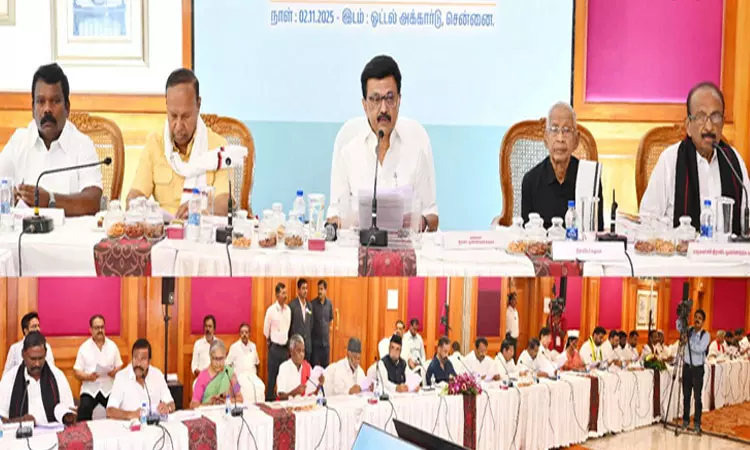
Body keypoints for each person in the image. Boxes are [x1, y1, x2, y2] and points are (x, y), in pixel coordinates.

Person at [327, 55, 438, 231]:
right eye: (375, 100)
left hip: (404, 245)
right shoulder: (348, 152)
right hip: (360, 246)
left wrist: (421, 221)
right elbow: (333, 216)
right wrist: (353, 221)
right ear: (364, 105)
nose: (384, 109)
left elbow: (432, 215)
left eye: (389, 98)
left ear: (399, 100)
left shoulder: (416, 151)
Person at [127, 68, 242, 217]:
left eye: (186, 116)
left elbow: (225, 202)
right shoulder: (155, 143)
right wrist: (135, 206)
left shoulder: (219, 148)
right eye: (173, 116)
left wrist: (198, 208)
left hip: (200, 227)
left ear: (198, 105)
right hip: (164, 228)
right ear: (166, 105)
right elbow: (136, 194)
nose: (178, 126)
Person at [641, 82, 750, 234]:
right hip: (680, 249)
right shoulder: (670, 160)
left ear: (723, 123)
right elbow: (647, 220)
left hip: (726, 250)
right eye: (701, 117)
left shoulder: (733, 160)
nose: (709, 127)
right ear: (688, 125)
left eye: (715, 117)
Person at [0, 63, 102, 217]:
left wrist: (50, 200)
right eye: (40, 101)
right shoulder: (19, 141)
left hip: (70, 232)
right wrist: (8, 197)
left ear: (67, 108)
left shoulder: (82, 144)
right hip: (24, 231)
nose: (47, 109)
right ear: (33, 108)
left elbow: (92, 201)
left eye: (55, 101)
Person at [518, 102, 604, 229]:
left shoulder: (590, 179)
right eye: (554, 130)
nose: (560, 138)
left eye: (566, 130)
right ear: (546, 138)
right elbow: (526, 235)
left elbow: (597, 231)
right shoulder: (530, 180)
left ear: (576, 140)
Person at [0, 332, 76, 425]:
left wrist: (69, 416)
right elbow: (1, 418)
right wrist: (20, 421)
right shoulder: (10, 379)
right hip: (21, 432)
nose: (37, 364)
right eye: (33, 359)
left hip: (52, 432)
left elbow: (69, 411)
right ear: (23, 355)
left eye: (40, 358)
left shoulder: (57, 376)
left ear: (45, 354)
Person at [107, 339, 175, 419]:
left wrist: (167, 408)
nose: (138, 363)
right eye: (135, 358)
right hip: (130, 426)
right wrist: (132, 414)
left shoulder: (157, 375)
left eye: (143, 359)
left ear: (149, 361)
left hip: (154, 425)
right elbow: (110, 411)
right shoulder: (121, 377)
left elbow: (171, 404)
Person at [73, 315, 124, 421]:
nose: (100, 330)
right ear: (90, 330)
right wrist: (88, 377)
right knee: (84, 408)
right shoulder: (84, 348)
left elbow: (119, 366)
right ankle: (83, 430)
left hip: (108, 387)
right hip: (90, 388)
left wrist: (114, 372)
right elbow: (76, 371)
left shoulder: (112, 346)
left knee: (116, 408)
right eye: (97, 328)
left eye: (102, 327)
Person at [677, 309, 710, 435]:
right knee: (686, 396)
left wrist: (688, 342)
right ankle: (685, 421)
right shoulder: (689, 330)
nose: (697, 320)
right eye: (695, 317)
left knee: (697, 397)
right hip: (686, 368)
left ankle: (697, 424)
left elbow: (700, 348)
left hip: (697, 370)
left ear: (703, 321)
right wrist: (681, 316)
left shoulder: (705, 335)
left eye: (699, 318)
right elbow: (679, 327)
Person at [190, 340, 243, 408]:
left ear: (225, 357)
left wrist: (226, 400)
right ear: (210, 357)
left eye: (221, 359)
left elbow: (240, 398)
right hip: (208, 412)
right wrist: (210, 404)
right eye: (215, 359)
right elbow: (193, 405)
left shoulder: (230, 374)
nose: (218, 363)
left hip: (226, 411)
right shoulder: (202, 377)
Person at [264, 282, 291, 401]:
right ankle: (269, 403)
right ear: (277, 295)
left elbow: (288, 328)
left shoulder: (288, 310)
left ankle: (283, 404)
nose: (285, 296)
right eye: (283, 293)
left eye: (286, 293)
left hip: (285, 349)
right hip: (274, 349)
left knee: (284, 379)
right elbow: (266, 331)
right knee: (272, 380)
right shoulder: (271, 310)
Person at [227, 323, 265, 403]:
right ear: (240, 334)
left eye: (246, 332)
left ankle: (259, 408)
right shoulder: (234, 347)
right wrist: (232, 381)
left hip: (252, 376)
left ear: (249, 334)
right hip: (239, 378)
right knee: (246, 389)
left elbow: (257, 363)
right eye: (242, 332)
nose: (244, 335)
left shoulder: (253, 346)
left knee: (261, 386)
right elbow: (227, 365)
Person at [276, 335, 323, 400]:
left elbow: (311, 395)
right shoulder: (284, 367)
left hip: (303, 404)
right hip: (287, 405)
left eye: (303, 351)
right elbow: (280, 396)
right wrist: (295, 392)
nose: (301, 354)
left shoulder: (307, 367)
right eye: (298, 350)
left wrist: (319, 385)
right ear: (291, 351)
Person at [289, 278, 313, 363]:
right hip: (296, 347)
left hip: (307, 347)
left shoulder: (310, 306)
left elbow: (311, 325)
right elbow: (290, 327)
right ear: (298, 290)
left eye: (306, 288)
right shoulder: (292, 306)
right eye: (303, 288)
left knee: (306, 369)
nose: (305, 291)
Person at [311, 280, 334, 368]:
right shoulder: (312, 304)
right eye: (318, 289)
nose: (319, 291)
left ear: (325, 290)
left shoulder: (329, 304)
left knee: (326, 370)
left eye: (321, 289)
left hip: (326, 345)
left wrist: (330, 329)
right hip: (315, 345)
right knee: (315, 370)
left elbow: (331, 319)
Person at [506, 293, 520, 357]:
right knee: (509, 356)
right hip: (509, 338)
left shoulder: (516, 311)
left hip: (515, 338)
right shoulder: (507, 312)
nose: (516, 301)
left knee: (514, 356)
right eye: (514, 299)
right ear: (510, 301)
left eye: (516, 299)